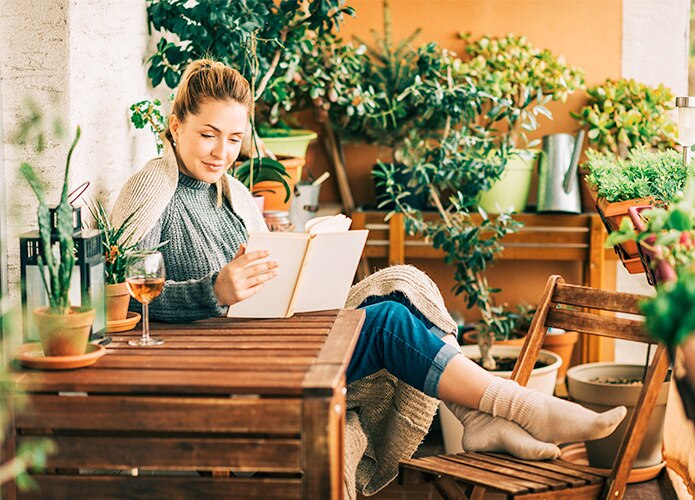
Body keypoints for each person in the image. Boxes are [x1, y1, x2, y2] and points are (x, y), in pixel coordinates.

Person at [111, 59, 627, 495]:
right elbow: (120, 300)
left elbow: (263, 283)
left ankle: (478, 419)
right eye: (207, 134)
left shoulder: (233, 195)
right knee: (384, 324)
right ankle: (518, 407)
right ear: (175, 124)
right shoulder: (154, 184)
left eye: (233, 139)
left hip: (265, 340)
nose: (221, 152)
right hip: (228, 364)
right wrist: (213, 291)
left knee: (401, 292)